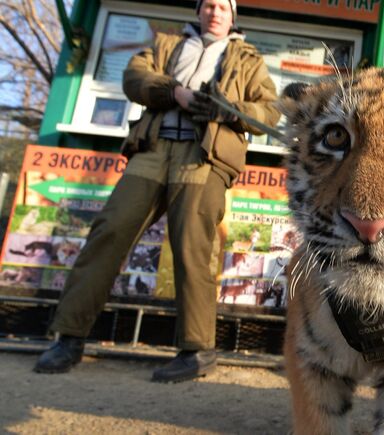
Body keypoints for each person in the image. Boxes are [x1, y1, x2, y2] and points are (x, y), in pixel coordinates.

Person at [33, 0, 280, 383]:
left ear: (233, 17)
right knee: (109, 232)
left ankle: (197, 350)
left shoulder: (249, 60)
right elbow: (134, 77)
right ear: (199, 11)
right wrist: (175, 93)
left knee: (193, 249)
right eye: (209, 5)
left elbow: (269, 111)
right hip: (152, 150)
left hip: (204, 157)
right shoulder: (166, 44)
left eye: (223, 7)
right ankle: (68, 338)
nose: (215, 12)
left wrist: (228, 109)